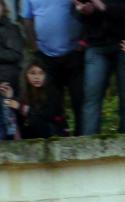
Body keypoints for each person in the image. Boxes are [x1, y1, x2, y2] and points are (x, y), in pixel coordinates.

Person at [78, 0, 125, 134]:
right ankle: (89, 148)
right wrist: (86, 10)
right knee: (91, 99)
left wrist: (105, 7)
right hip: (96, 43)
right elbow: (82, 15)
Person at [19, 0, 84, 135]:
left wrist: (82, 41)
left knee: (79, 98)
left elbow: (84, 10)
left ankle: (81, 137)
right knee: (52, 102)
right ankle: (60, 136)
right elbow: (27, 20)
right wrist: (35, 48)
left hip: (73, 53)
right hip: (45, 56)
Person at [8, 57, 68, 135]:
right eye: (32, 73)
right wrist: (9, 97)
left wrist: (22, 108)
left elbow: (44, 117)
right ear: (26, 75)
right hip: (35, 132)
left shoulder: (52, 92)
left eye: (41, 73)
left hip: (54, 131)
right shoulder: (24, 93)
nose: (37, 77)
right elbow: (15, 115)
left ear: (45, 75)